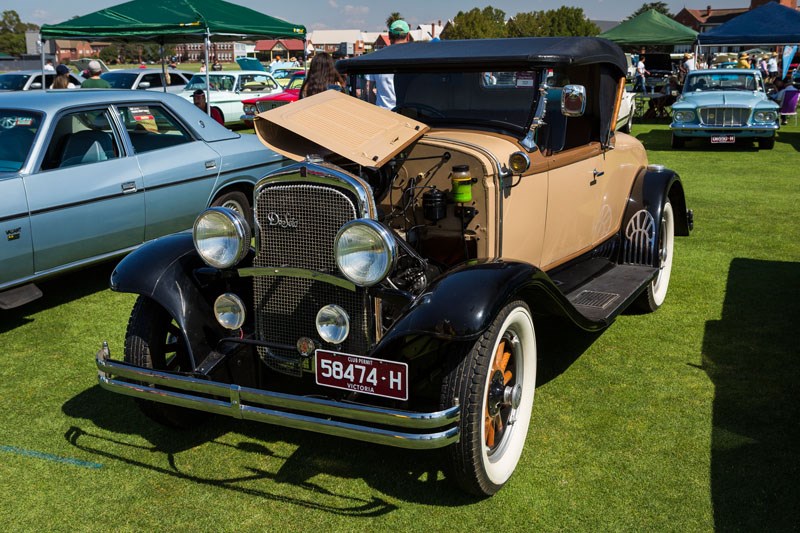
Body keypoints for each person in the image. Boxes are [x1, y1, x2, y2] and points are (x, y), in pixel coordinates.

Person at [367, 19, 411, 108]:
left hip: (383, 115)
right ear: (408, 36)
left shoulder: (376, 58)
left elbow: (368, 89)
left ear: (389, 36)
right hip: (410, 114)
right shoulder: (415, 59)